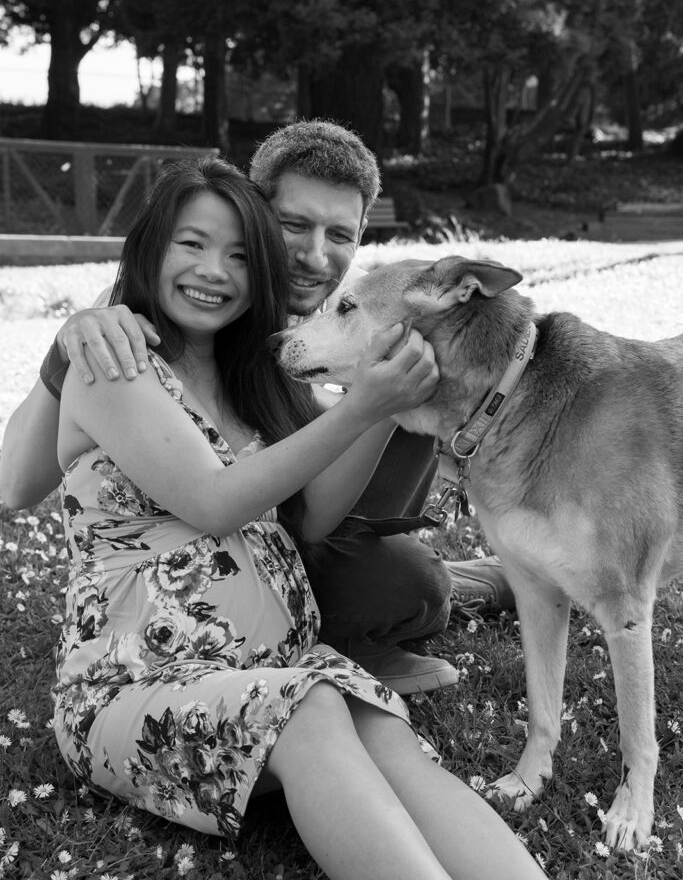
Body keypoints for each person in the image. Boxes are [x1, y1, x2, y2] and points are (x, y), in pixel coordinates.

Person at [48, 156, 574, 880]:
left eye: (238, 255)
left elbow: (316, 516)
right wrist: (359, 409)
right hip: (140, 684)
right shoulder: (115, 360)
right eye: (191, 245)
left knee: (382, 734)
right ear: (148, 248)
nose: (214, 271)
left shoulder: (248, 374)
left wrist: (384, 396)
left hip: (278, 664)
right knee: (313, 707)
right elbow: (214, 501)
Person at [0, 120, 513, 695]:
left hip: (292, 530)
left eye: (340, 235)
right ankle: (457, 586)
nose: (315, 256)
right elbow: (16, 485)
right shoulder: (161, 311)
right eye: (292, 225)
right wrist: (71, 340)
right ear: (251, 210)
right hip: (186, 569)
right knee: (406, 580)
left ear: (362, 234)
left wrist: (373, 398)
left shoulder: (362, 305)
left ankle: (419, 595)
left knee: (411, 395)